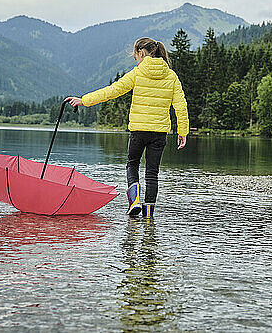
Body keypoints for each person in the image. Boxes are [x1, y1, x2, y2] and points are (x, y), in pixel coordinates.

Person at [65, 37, 189, 217]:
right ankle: (148, 215)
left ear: (140, 53)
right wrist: (183, 131)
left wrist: (83, 101)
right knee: (152, 173)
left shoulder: (138, 73)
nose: (135, 60)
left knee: (132, 165)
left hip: (138, 130)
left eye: (135, 56)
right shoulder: (171, 76)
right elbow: (181, 105)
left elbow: (112, 91)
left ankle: (135, 201)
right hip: (159, 133)